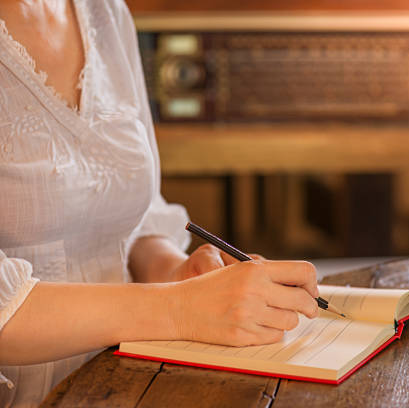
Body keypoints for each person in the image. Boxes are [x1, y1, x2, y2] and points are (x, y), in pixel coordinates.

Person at [0, 1, 319, 406]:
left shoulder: (104, 12)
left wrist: (176, 271)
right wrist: (180, 308)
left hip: (123, 381)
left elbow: (130, 209)